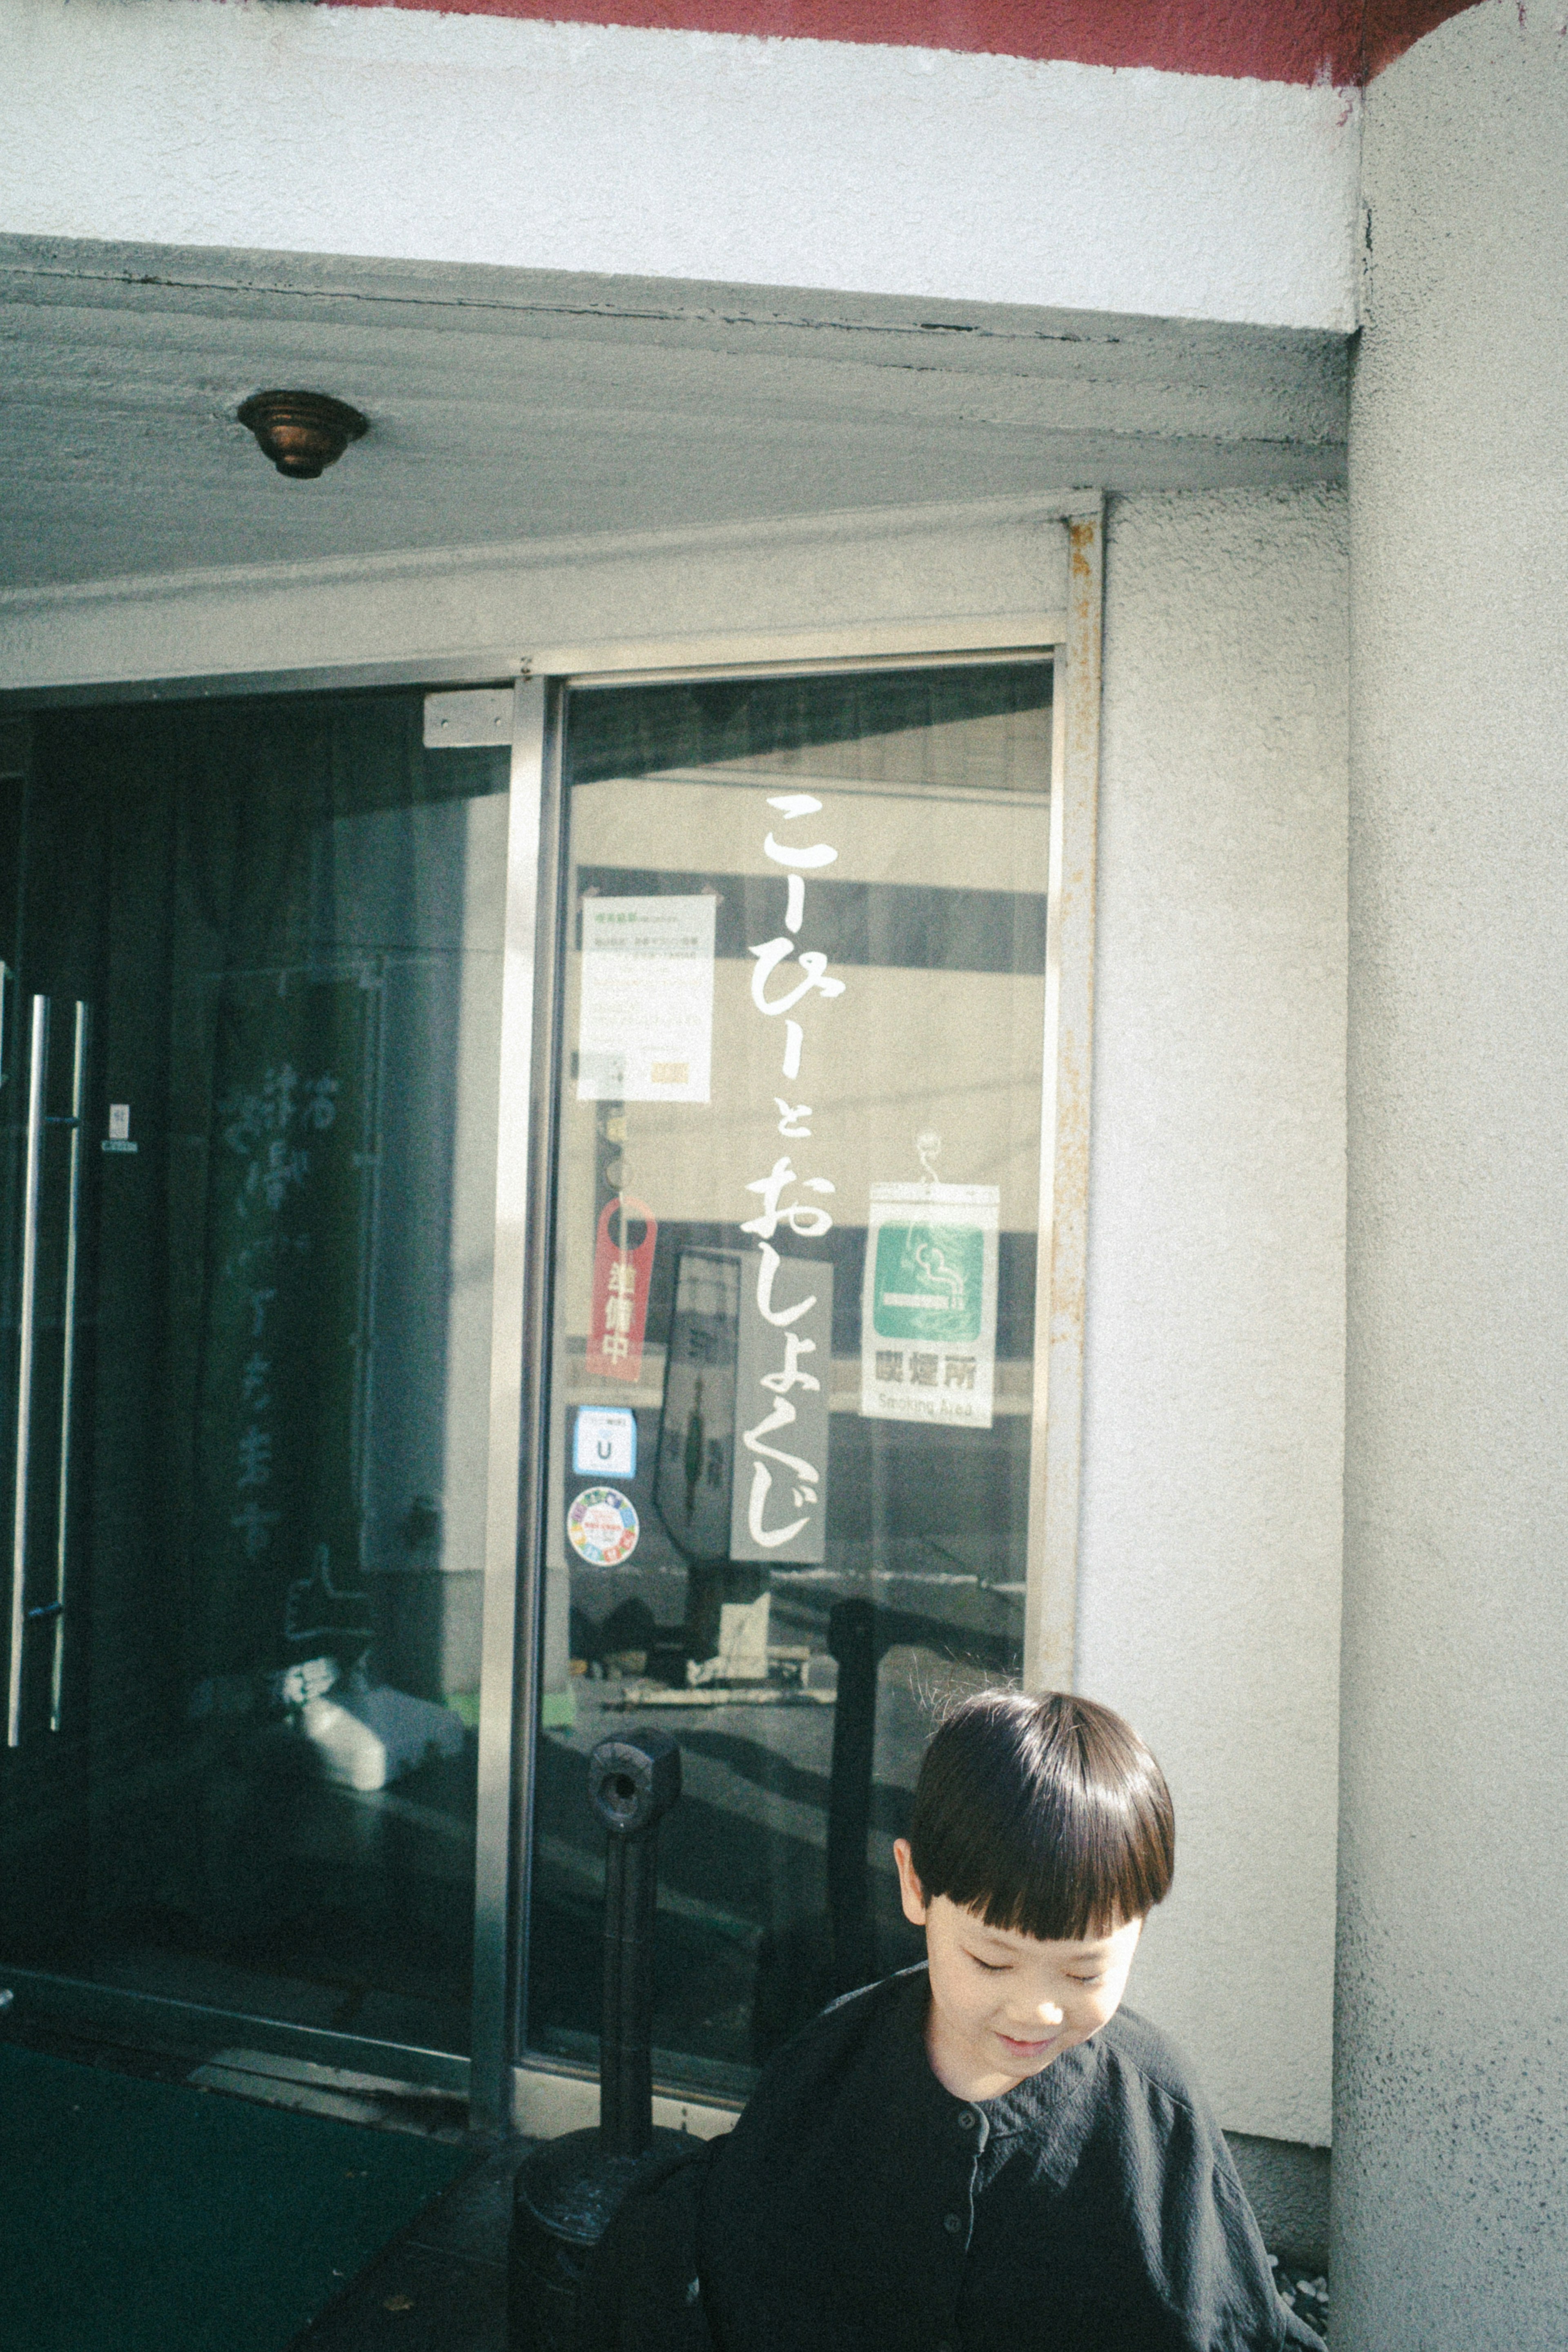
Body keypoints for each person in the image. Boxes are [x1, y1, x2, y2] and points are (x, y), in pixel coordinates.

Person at [577, 1688, 1325, 2352]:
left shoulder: (1153, 2105)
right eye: (993, 1963)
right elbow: (740, 2258)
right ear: (915, 1887)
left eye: (1085, 1971)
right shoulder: (836, 2061)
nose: (1037, 2009)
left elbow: (1214, 2320)